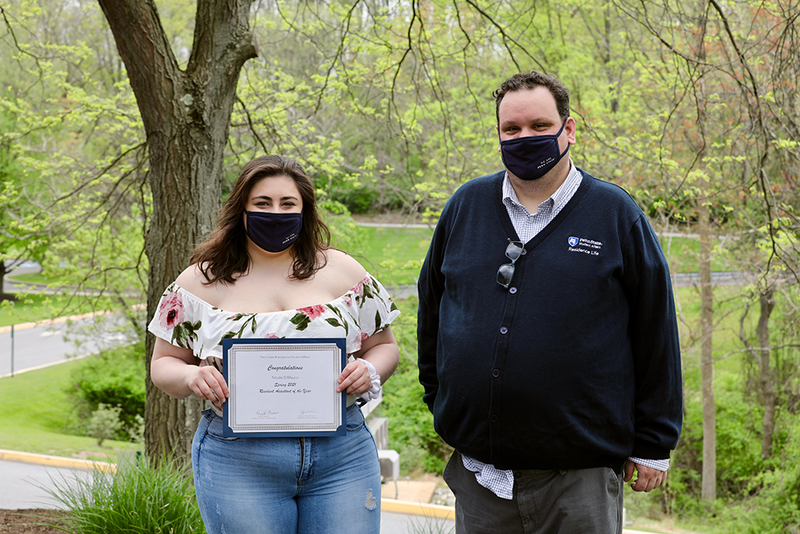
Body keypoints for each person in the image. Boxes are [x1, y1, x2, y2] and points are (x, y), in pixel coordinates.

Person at [417, 71, 683, 533]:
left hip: (578, 479)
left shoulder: (615, 214)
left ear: (569, 129)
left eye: (540, 126)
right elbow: (432, 311)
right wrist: (443, 401)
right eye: (511, 129)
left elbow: (655, 331)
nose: (525, 138)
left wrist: (654, 442)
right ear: (498, 134)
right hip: (481, 478)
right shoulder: (465, 207)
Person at [148, 154, 400, 534]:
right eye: (262, 204)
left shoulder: (344, 271)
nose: (276, 212)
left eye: (288, 204)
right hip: (238, 460)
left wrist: (369, 370)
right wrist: (189, 378)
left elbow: (385, 347)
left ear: (305, 210)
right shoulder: (199, 281)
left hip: (343, 453)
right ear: (242, 210)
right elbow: (163, 364)